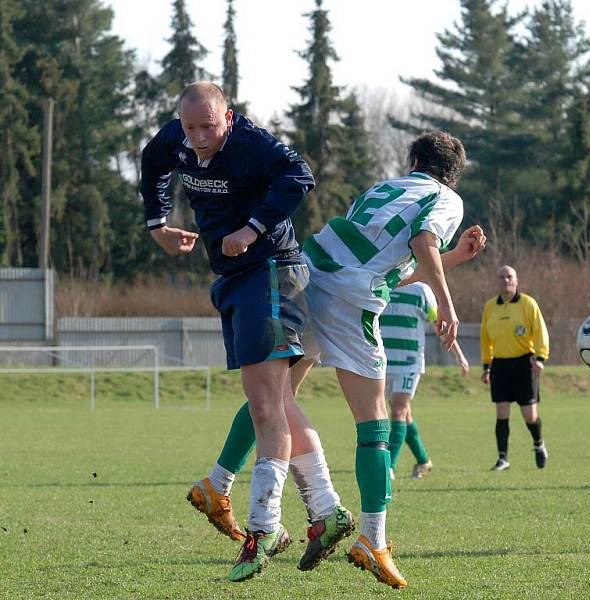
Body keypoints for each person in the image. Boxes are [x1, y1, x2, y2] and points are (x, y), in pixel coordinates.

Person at [191, 130, 486, 589]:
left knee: (276, 396)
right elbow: (423, 242)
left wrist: (453, 259)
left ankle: (218, 481)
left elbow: (388, 262)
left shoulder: (384, 188)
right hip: (351, 298)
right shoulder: (447, 198)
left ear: (413, 159)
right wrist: (447, 303)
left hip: (311, 270)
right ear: (455, 174)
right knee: (374, 423)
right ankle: (373, 540)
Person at [140, 81, 354, 583]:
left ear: (228, 118)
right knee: (277, 402)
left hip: (274, 272)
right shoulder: (176, 139)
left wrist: (252, 227)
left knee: (264, 407)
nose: (197, 137)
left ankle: (264, 529)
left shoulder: (253, 143)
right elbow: (153, 161)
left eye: (208, 126)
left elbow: (300, 174)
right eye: (190, 127)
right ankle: (327, 509)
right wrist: (158, 223)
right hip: (234, 280)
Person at [380, 281, 470, 480]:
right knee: (404, 416)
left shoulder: (421, 291)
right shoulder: (382, 282)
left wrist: (459, 356)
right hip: (384, 362)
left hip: (409, 363)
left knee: (397, 410)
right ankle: (423, 461)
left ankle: (388, 467)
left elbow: (440, 326)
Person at [480, 265, 550, 471]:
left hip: (524, 364)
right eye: (501, 277)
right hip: (500, 365)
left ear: (516, 280)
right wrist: (486, 366)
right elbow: (485, 339)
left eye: (509, 276)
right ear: (497, 281)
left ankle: (539, 444)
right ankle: (503, 459)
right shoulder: (490, 307)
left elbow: (540, 332)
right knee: (501, 413)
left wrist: (540, 358)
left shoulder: (528, 304)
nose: (505, 280)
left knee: (530, 415)